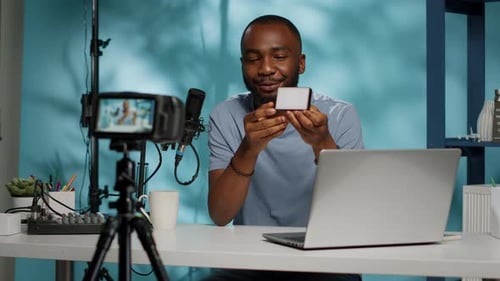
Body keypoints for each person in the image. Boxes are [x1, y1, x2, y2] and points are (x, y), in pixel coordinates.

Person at [205, 15, 364, 281]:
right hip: (248, 262)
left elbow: (355, 212)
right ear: (243, 64)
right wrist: (248, 148)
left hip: (324, 261)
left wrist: (322, 144)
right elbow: (221, 215)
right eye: (253, 59)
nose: (266, 68)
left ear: (300, 63)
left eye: (279, 56)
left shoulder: (339, 115)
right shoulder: (226, 114)